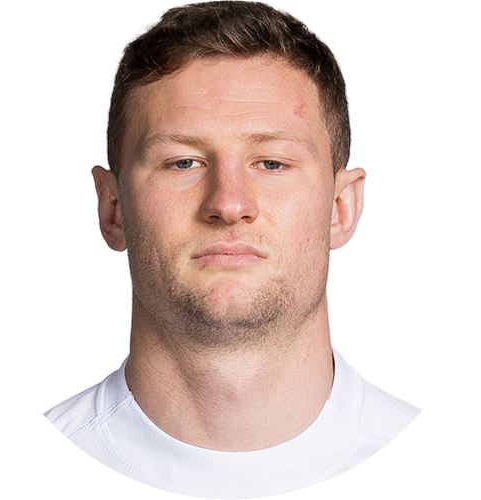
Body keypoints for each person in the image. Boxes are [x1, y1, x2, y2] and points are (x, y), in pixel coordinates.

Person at [43, 1, 425, 497]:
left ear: (342, 208)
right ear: (112, 209)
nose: (229, 204)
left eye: (271, 163)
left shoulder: (447, 474)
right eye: (183, 162)